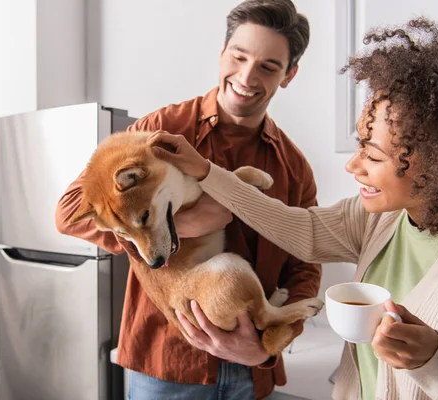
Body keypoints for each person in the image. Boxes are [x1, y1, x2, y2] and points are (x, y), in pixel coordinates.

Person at [148, 18, 438, 400]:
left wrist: (433, 361)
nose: (352, 166)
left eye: (371, 155)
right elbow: (304, 231)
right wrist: (208, 174)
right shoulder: (380, 218)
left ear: (437, 163)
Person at [55, 1, 322, 399]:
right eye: (239, 56)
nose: (247, 76)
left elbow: (307, 264)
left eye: (268, 66)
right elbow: (69, 214)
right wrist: (182, 224)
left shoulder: (293, 167)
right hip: (167, 366)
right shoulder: (161, 131)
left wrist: (264, 350)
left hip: (251, 372)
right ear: (221, 54)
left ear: (289, 75)